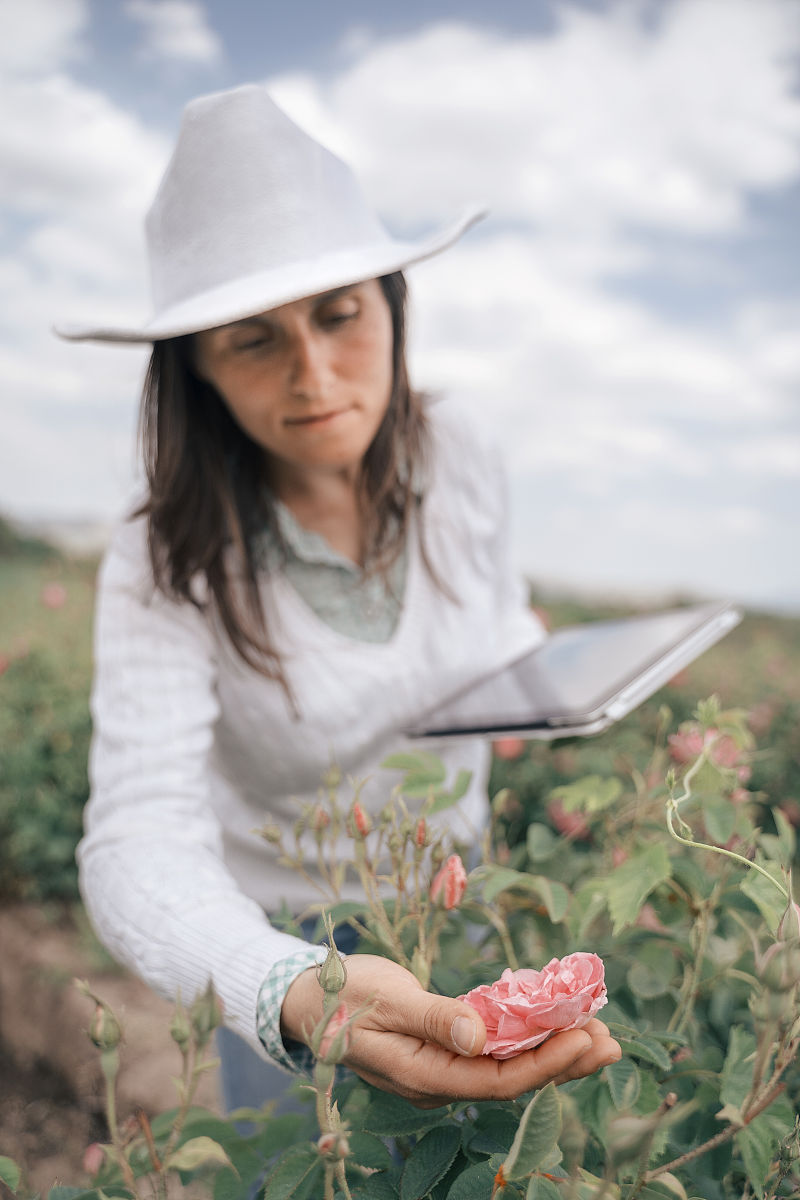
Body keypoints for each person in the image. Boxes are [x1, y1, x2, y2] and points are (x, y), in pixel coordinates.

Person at [58, 84, 620, 1113]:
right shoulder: (164, 552)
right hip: (284, 940)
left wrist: (556, 681)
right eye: (252, 337)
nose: (314, 375)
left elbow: (496, 617)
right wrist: (282, 988)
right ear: (197, 370)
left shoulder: (463, 454)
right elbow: (136, 835)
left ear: (393, 307)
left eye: (338, 315)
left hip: (461, 904)